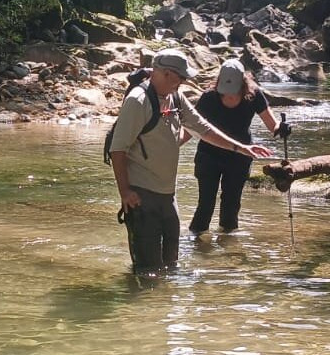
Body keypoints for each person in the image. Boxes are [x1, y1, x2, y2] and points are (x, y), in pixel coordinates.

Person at [108, 48, 273, 274]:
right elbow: (118, 150)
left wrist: (240, 148)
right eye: (181, 78)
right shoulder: (138, 101)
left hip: (168, 195)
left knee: (171, 266)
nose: (184, 82)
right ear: (165, 74)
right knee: (148, 271)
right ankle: (139, 306)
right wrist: (125, 192)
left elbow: (202, 129)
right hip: (142, 195)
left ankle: (163, 307)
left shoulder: (175, 96)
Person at [187, 58, 289, 236]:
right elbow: (191, 128)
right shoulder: (209, 97)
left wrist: (282, 128)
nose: (229, 96)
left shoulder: (254, 95)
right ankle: (198, 245)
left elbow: (272, 125)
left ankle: (229, 249)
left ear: (243, 84)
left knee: (231, 205)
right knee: (205, 204)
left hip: (240, 157)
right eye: (225, 92)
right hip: (208, 156)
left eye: (233, 92)